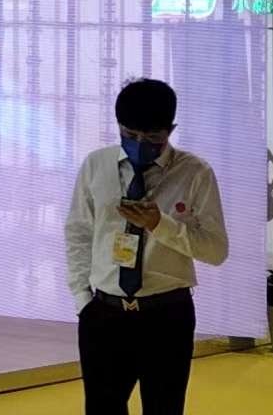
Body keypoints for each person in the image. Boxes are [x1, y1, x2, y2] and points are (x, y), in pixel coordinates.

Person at [65, 78, 229, 415]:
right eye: (130, 135)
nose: (139, 144)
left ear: (171, 130)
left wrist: (161, 225)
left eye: (152, 138)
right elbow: (78, 233)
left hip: (167, 315)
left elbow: (216, 251)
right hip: (104, 314)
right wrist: (83, 300)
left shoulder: (195, 173)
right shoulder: (96, 165)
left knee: (164, 408)